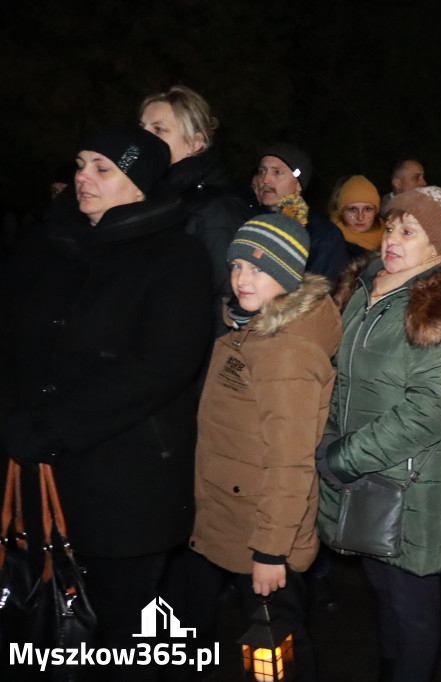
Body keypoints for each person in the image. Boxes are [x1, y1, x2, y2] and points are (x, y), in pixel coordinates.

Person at [0, 126, 211, 679]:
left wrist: (56, 426)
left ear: (138, 184)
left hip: (126, 486)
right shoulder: (47, 245)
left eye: (102, 168)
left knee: (122, 640)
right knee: (44, 632)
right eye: (80, 163)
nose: (82, 177)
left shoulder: (177, 257)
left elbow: (160, 366)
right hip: (37, 477)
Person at [316, 186, 441, 682]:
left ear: (438, 247)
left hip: (409, 481)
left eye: (408, 231)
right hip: (361, 473)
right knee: (381, 593)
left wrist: (344, 457)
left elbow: (428, 411)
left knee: (412, 607)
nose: (391, 240)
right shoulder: (367, 289)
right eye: (391, 226)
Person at [187, 205, 341, 681]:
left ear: (287, 276)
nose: (242, 278)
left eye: (258, 268)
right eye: (236, 265)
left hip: (264, 534)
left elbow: (291, 462)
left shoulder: (285, 351)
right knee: (266, 644)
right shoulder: (250, 330)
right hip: (241, 518)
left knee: (275, 652)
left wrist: (272, 551)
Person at [140, 84, 251, 326]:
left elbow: (228, 304)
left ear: (195, 143)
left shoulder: (216, 210)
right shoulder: (149, 202)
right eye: (142, 128)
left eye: (159, 130)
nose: (144, 139)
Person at [253, 143, 348, 286]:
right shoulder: (247, 222)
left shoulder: (323, 236)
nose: (265, 179)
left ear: (298, 184)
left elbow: (320, 296)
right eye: (262, 171)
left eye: (277, 172)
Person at [328, 174, 385, 259]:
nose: (360, 217)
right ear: (342, 212)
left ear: (375, 211)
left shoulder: (391, 238)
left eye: (368, 209)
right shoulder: (331, 243)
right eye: (353, 209)